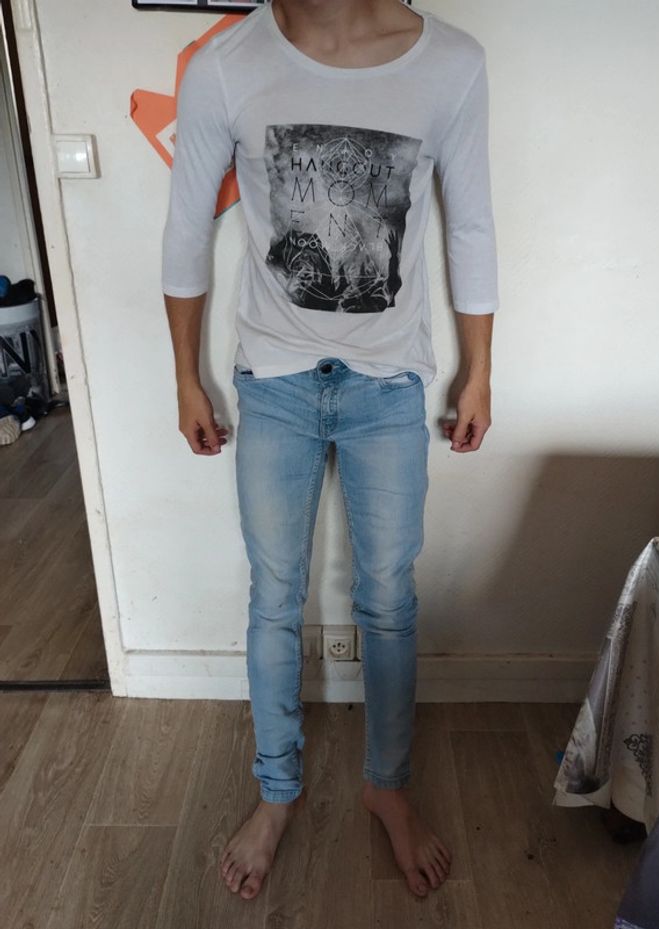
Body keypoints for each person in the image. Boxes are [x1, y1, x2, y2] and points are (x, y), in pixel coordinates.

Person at [162, 0, 498, 902]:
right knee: (273, 595)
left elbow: (471, 224)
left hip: (390, 386)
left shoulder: (452, 64)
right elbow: (186, 226)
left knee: (388, 600)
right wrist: (187, 377)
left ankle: (388, 786)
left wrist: (479, 371)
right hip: (272, 381)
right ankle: (277, 791)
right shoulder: (226, 64)